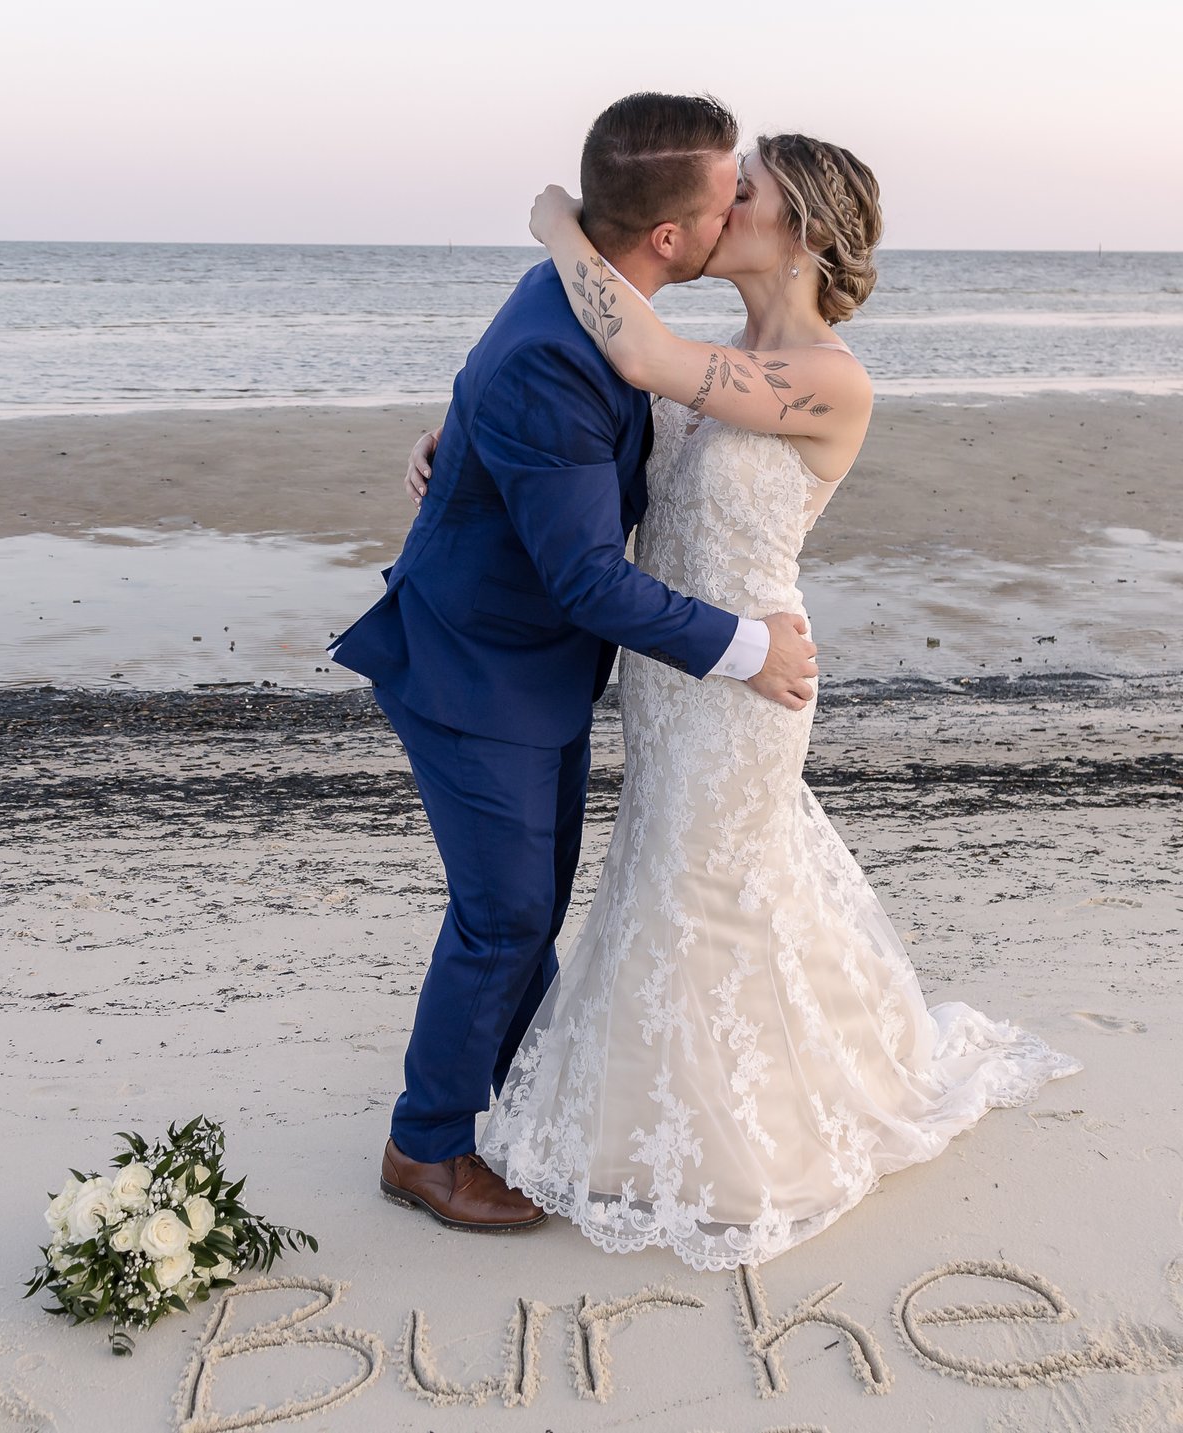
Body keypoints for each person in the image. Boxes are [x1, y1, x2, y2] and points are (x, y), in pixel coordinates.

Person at [455, 133, 1082, 1269]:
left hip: (748, 679)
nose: (716, 203)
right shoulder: (720, 350)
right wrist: (453, 446)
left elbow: (636, 356)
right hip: (667, 672)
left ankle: (734, 1138)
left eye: (742, 191)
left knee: (706, 887)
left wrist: (560, 223)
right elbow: (590, 434)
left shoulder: (829, 377)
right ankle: (668, 1092)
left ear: (799, 231)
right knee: (667, 873)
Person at [327, 92, 820, 1233]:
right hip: (475, 668)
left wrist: (458, 455)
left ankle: (523, 1097)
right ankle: (426, 1145)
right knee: (502, 918)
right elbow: (588, 578)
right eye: (722, 201)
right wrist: (747, 649)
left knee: (528, 905)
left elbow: (543, 416)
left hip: (531, 666)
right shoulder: (564, 344)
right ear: (669, 238)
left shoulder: (582, 294)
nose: (731, 213)